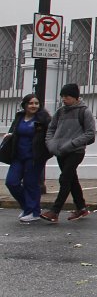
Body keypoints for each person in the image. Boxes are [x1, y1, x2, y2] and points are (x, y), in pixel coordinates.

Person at [42, 83, 96, 223]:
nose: (64, 99)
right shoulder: (60, 112)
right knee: (72, 180)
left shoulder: (84, 111)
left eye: (67, 97)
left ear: (76, 97)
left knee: (65, 179)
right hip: (60, 151)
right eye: (62, 97)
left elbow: (90, 133)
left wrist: (72, 143)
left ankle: (55, 211)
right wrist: (51, 144)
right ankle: (81, 207)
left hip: (76, 151)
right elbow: (51, 129)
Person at [4, 94, 51, 223]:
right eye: (31, 103)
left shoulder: (43, 118)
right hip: (18, 156)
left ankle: (34, 212)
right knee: (11, 182)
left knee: (31, 184)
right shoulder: (19, 117)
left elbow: (49, 135)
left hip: (34, 157)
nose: (33, 106)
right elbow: (14, 131)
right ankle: (27, 207)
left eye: (36, 103)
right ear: (25, 105)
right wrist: (9, 135)